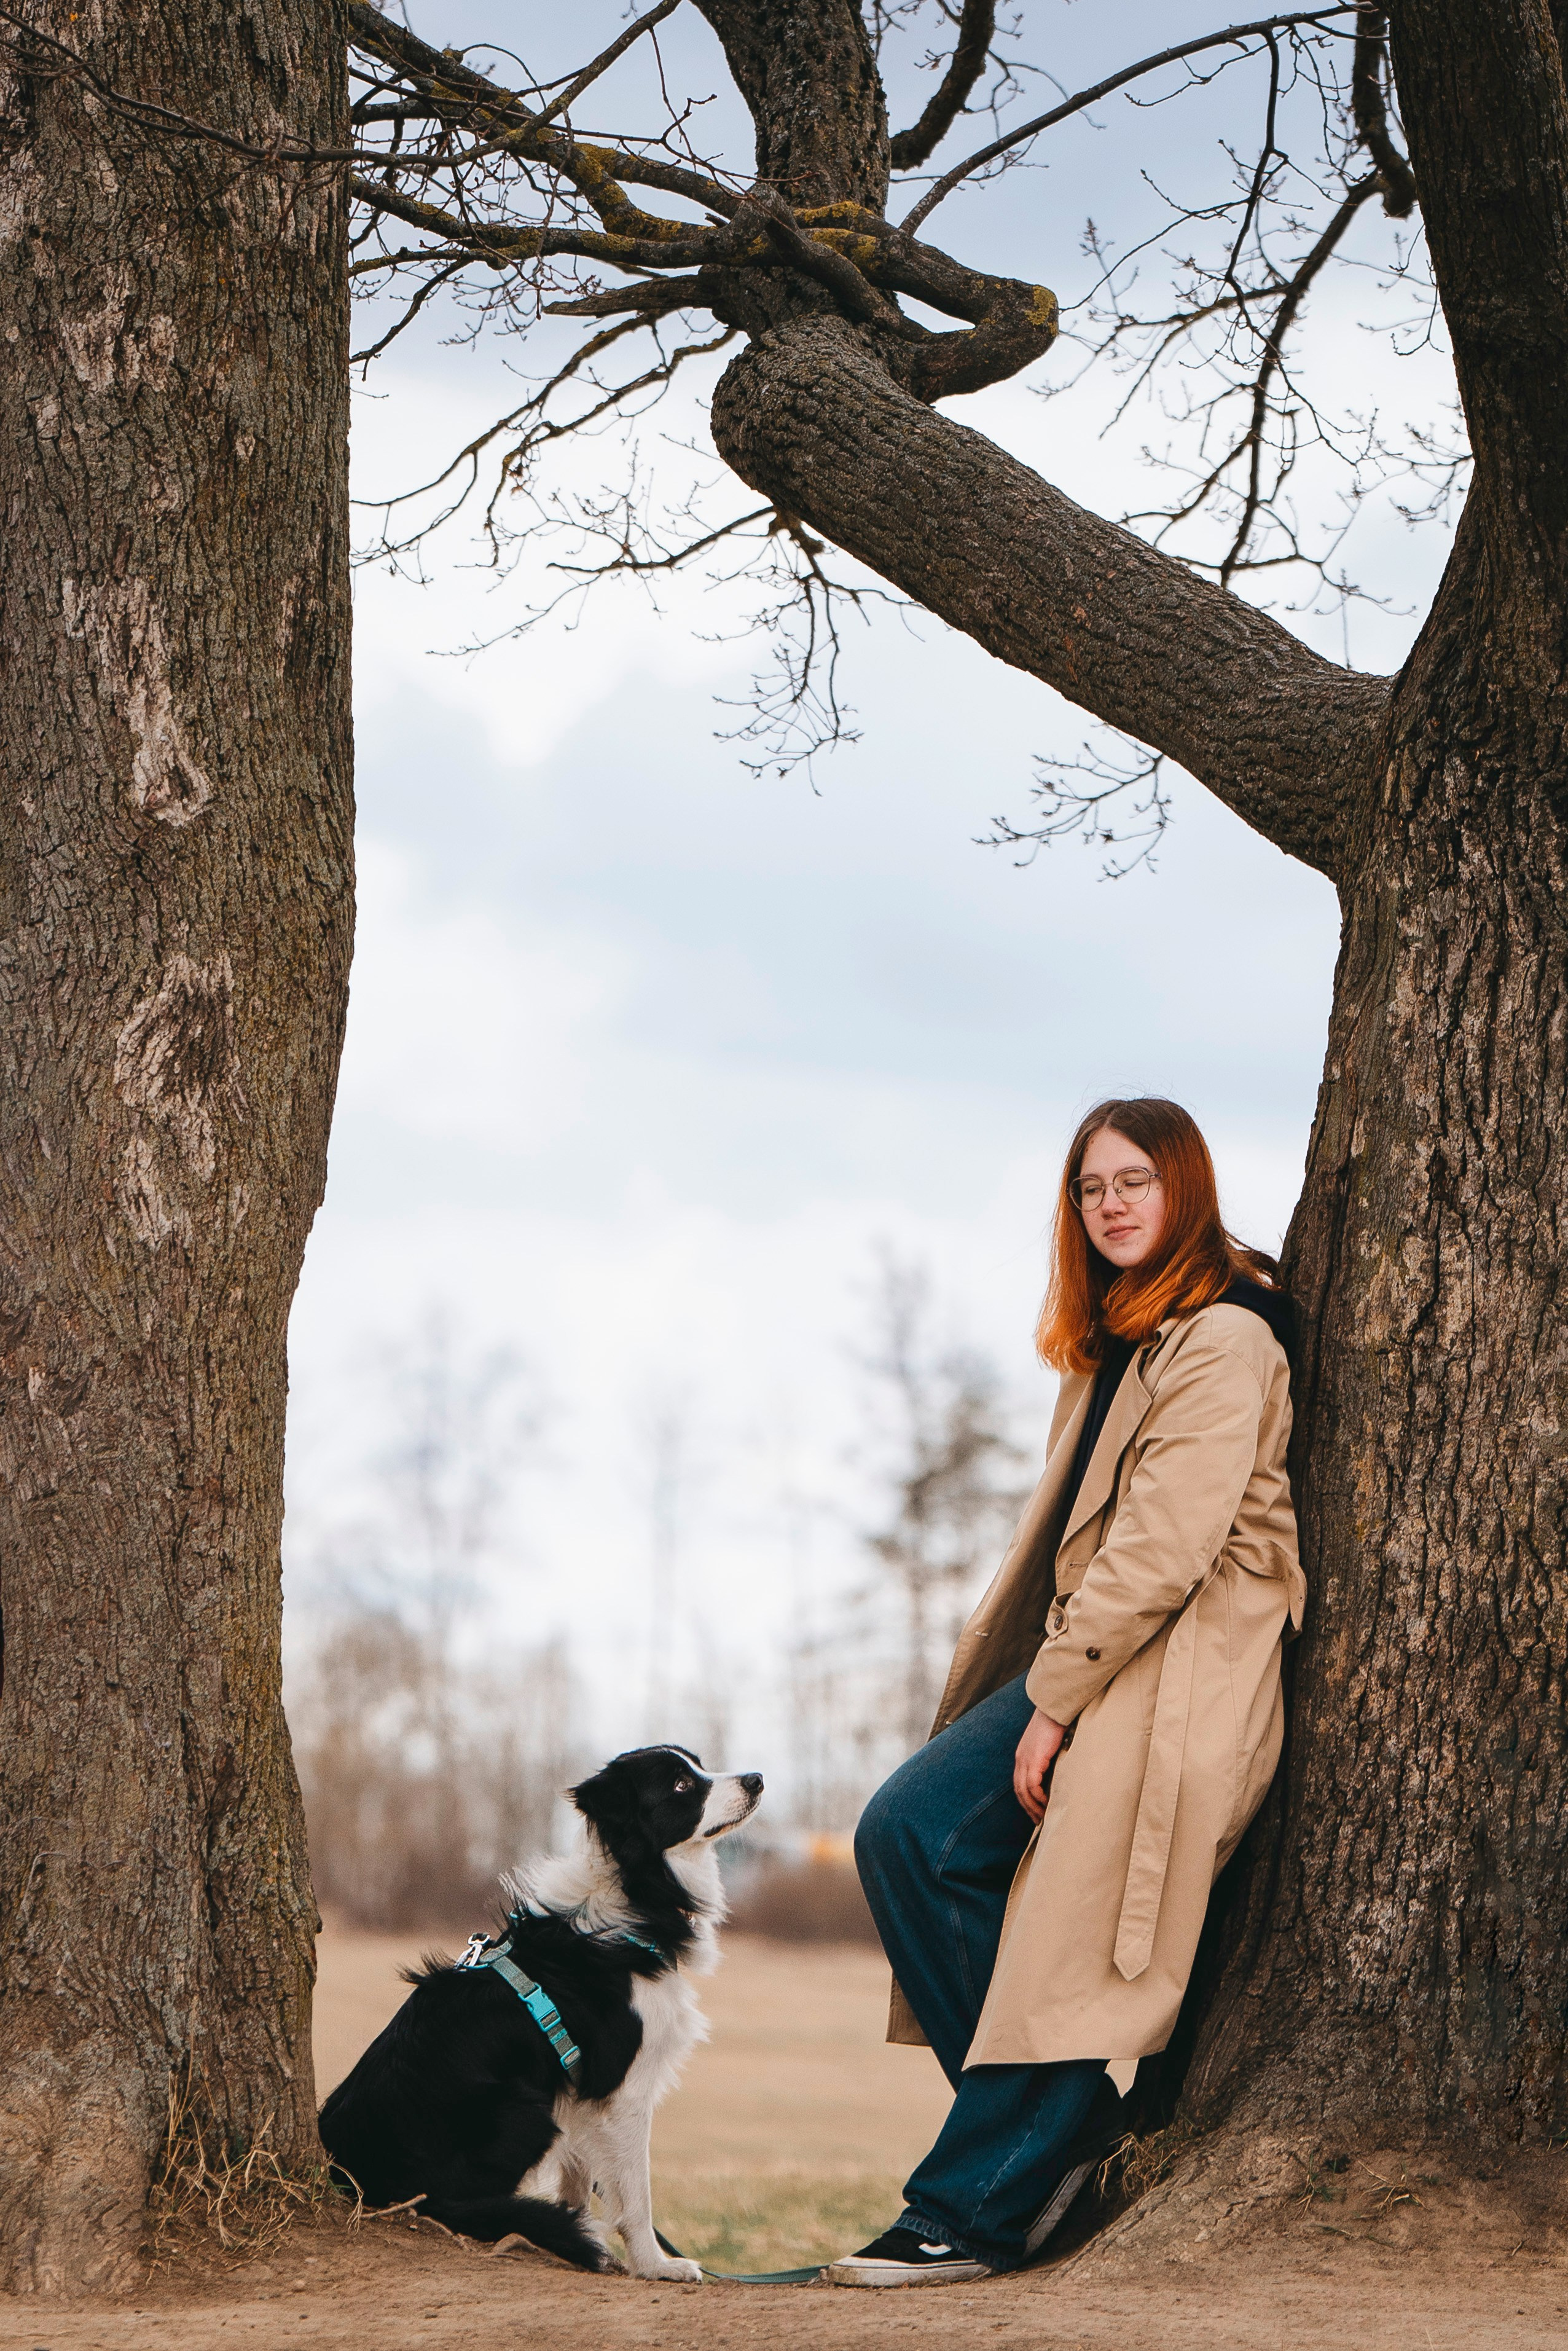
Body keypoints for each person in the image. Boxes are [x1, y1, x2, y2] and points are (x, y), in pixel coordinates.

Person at [830, 1097, 1304, 2288]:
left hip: (1175, 1671)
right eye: (1091, 1187)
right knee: (910, 1830)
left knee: (1064, 1934)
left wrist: (1052, 1704)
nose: (1111, 1204)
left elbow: (1164, 1548)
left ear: (1185, 1187)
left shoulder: (1224, 1336)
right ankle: (1064, 2129)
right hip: (1098, 1654)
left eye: (1136, 1179)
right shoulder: (1129, 1335)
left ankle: (972, 2208)